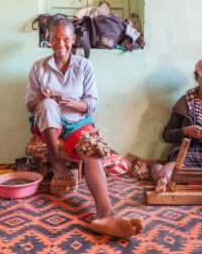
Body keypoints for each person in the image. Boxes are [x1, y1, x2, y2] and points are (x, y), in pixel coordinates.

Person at [25, 17, 144, 238]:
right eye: (55, 39)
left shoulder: (84, 66)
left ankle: (106, 215)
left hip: (78, 120)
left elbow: (92, 103)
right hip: (48, 123)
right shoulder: (38, 67)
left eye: (66, 39)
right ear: (48, 40)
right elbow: (29, 105)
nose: (60, 44)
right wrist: (41, 97)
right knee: (48, 105)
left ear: (74, 40)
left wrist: (69, 101)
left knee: (93, 152)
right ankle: (57, 164)